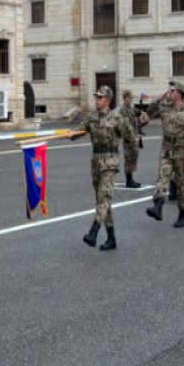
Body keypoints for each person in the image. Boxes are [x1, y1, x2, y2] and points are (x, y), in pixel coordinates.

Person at [69, 85, 134, 251]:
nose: (97, 100)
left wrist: (131, 162)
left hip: (110, 162)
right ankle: (111, 238)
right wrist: (71, 134)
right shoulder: (91, 118)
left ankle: (93, 232)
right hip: (96, 162)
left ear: (108, 100)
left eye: (100, 97)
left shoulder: (117, 118)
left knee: (104, 198)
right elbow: (79, 131)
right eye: (96, 97)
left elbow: (130, 138)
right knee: (102, 201)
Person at [144, 82, 184, 227]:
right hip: (166, 149)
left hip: (182, 152)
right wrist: (159, 98)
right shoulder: (165, 108)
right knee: (163, 176)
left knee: (181, 184)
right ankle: (158, 207)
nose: (170, 91)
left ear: (179, 94)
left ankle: (182, 215)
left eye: (173, 90)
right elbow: (148, 113)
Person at [120, 89, 143, 188]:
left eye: (131, 98)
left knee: (133, 156)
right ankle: (129, 181)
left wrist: (141, 111)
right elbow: (126, 125)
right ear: (125, 99)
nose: (130, 100)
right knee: (128, 158)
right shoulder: (123, 110)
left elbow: (137, 113)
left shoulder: (130, 108)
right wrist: (134, 135)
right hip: (128, 138)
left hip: (133, 137)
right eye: (129, 98)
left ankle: (131, 179)